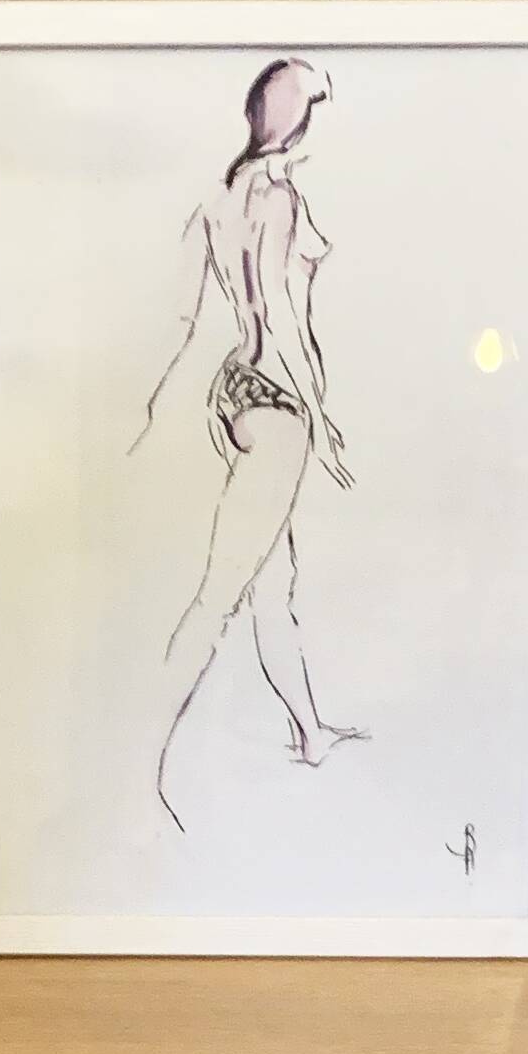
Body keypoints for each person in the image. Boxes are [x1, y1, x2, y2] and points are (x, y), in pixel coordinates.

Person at [133, 57, 364, 828]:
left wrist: (168, 401)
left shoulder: (219, 193)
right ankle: (140, 768)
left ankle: (309, 731)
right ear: (298, 120)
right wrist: (321, 417)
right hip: (278, 406)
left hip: (234, 396)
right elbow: (283, 321)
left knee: (271, 588)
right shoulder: (280, 196)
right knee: (221, 593)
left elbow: (194, 316)